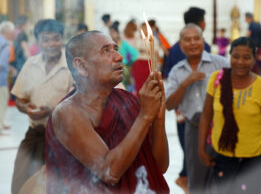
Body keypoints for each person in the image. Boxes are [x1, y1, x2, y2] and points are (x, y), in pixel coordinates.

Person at [45, 30, 169, 193]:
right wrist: (145, 116)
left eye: (115, 49)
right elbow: (109, 172)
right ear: (81, 66)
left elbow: (159, 166)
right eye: (106, 51)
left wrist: (158, 119)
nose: (119, 57)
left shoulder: (128, 101)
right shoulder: (68, 112)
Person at [199, 37, 261, 194]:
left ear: (254, 59)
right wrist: (201, 149)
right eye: (235, 56)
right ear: (230, 56)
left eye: (246, 57)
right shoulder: (217, 79)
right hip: (221, 155)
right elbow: (207, 115)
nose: (240, 62)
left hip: (253, 160)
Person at [10, 19, 74, 194]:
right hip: (35, 135)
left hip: (64, 140)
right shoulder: (31, 64)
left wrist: (52, 112)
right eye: (45, 39)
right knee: (21, 184)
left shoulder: (72, 66)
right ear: (37, 41)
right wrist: (27, 109)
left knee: (57, 188)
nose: (51, 44)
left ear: (63, 39)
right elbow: (20, 99)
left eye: (56, 38)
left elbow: (82, 104)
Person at [165, 24, 229, 194]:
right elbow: (169, 104)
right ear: (180, 44)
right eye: (187, 39)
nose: (192, 43)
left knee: (224, 177)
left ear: (203, 40)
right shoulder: (177, 71)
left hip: (221, 127)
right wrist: (185, 83)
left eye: (196, 38)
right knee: (197, 180)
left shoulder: (220, 63)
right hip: (193, 129)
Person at [109, 21, 138, 92]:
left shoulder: (123, 44)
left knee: (123, 90)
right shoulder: (109, 45)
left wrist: (126, 62)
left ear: (117, 33)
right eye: (110, 33)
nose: (111, 35)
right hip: (111, 70)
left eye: (113, 32)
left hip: (123, 71)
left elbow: (135, 54)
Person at [0, 21, 15, 134]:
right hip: (1, 79)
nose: (13, 35)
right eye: (12, 32)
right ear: (7, 32)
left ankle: (2, 123)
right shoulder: (5, 44)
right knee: (2, 102)